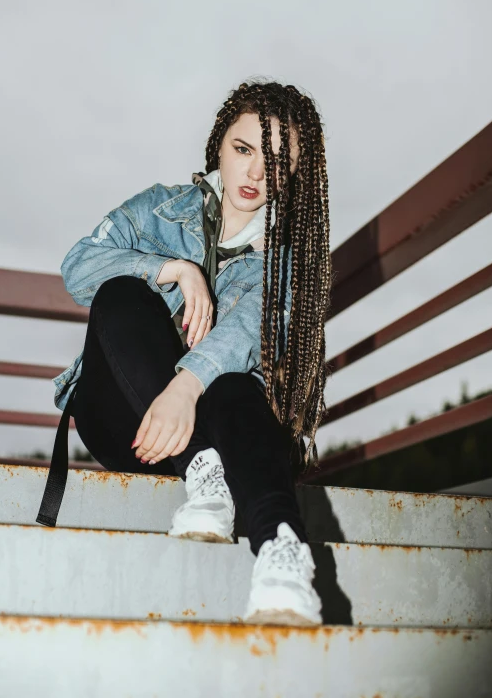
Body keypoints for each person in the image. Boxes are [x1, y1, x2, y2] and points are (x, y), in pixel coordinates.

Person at [37, 79, 332, 627]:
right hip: (126, 426)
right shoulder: (160, 208)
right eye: (243, 150)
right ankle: (201, 466)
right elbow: (79, 267)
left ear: (294, 175)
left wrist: (185, 386)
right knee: (121, 292)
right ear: (220, 145)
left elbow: (245, 334)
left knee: (238, 381)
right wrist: (175, 271)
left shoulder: (286, 263)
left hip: (216, 421)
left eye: (275, 162)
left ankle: (281, 551)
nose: (255, 174)